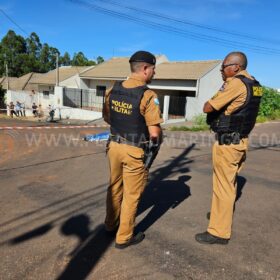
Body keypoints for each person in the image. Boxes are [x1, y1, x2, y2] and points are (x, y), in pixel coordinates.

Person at [195, 52, 263, 245]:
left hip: (228, 143)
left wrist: (216, 95)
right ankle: (220, 216)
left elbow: (208, 107)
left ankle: (219, 232)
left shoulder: (235, 83)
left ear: (236, 67)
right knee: (230, 184)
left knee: (222, 187)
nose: (221, 71)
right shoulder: (254, 84)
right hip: (240, 141)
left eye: (224, 67)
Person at [103, 50, 163, 249]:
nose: (154, 73)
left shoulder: (112, 89)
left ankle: (110, 225)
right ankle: (124, 237)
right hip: (134, 151)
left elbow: (107, 118)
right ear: (145, 69)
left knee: (114, 187)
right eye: (153, 69)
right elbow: (154, 133)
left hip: (113, 146)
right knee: (131, 194)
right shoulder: (148, 95)